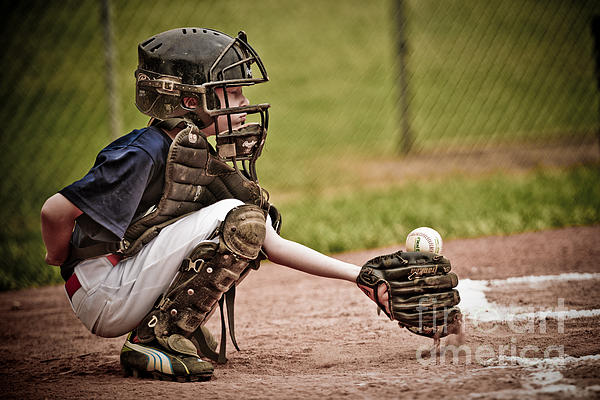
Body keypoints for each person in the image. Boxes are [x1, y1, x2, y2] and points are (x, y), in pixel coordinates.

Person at [41, 27, 460, 382]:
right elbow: (54, 211)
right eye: (232, 94)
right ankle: (151, 339)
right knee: (236, 219)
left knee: (247, 219)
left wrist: (363, 278)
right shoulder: (144, 151)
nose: (243, 106)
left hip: (122, 283)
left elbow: (269, 242)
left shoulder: (192, 154)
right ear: (191, 101)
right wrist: (58, 257)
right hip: (103, 292)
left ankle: (171, 322)